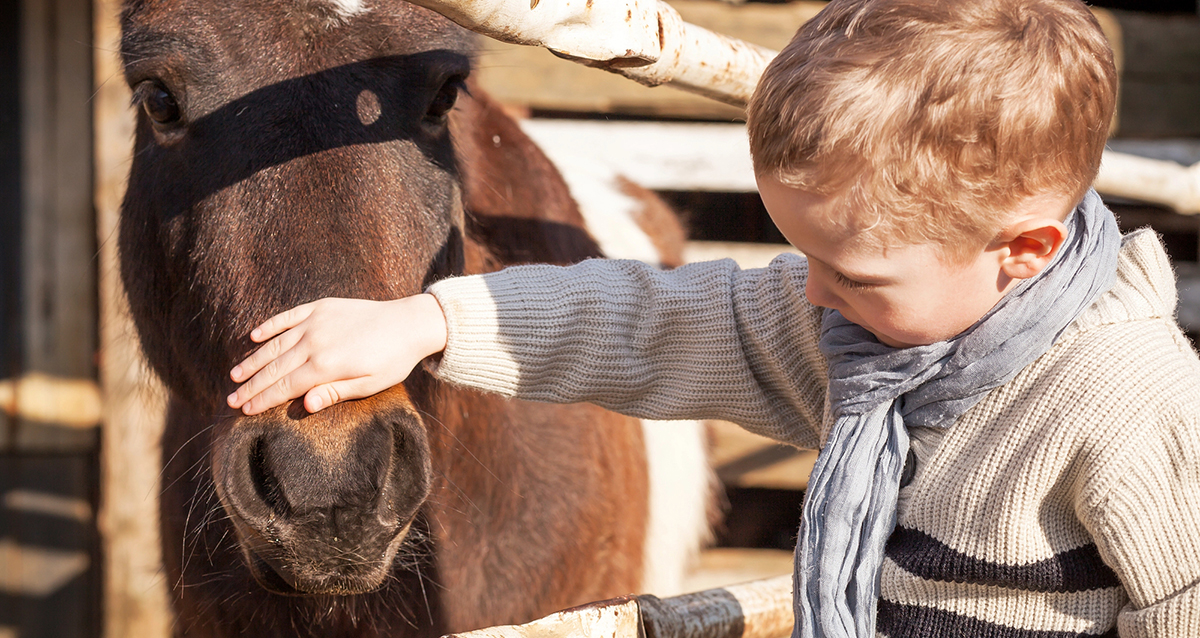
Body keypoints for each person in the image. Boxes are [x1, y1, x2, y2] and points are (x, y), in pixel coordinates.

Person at [224, 0, 1200, 635]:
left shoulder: (1131, 400)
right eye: (803, 255)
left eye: (850, 271)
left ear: (1020, 252)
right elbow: (648, 321)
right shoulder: (881, 333)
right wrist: (429, 321)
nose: (813, 295)